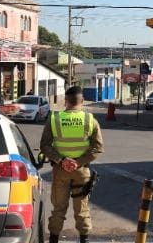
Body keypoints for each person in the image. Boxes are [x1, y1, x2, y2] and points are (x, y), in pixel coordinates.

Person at [40, 86, 104, 243]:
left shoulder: (54, 120)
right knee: (81, 208)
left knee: (58, 209)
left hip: (61, 171)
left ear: (65, 101)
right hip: (81, 171)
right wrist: (78, 162)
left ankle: (54, 239)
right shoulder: (90, 120)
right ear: (82, 101)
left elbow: (45, 146)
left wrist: (62, 160)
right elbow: (98, 148)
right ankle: (84, 239)